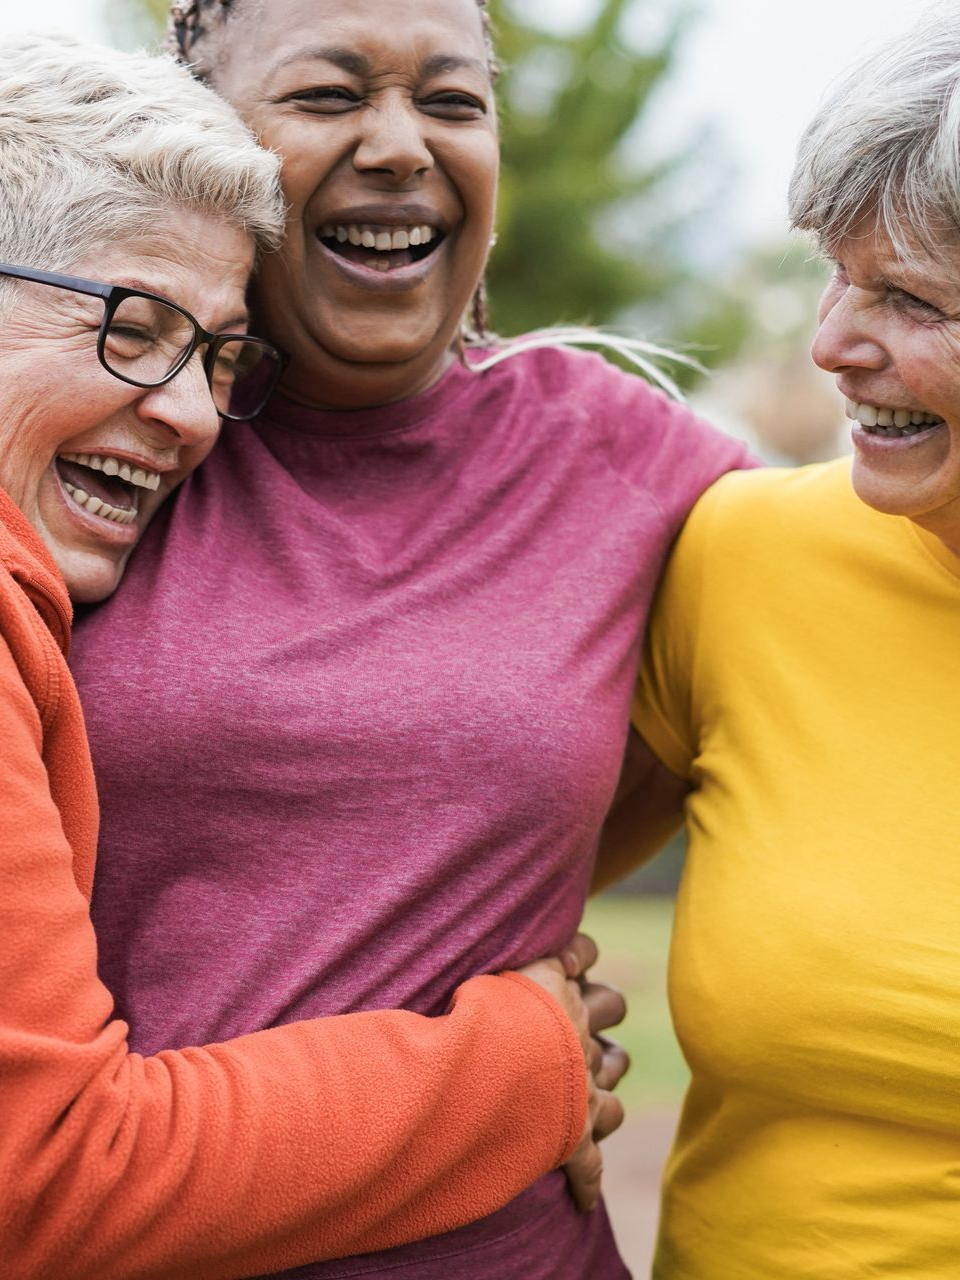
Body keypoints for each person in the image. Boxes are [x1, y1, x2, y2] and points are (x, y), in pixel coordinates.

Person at [69, 3, 753, 1277]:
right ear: (204, 138)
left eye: (452, 103)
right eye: (329, 99)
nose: (399, 145)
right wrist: (518, 1055)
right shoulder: (96, 430)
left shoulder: (632, 468)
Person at [605, 10, 960, 1276]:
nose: (831, 346)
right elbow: (495, 882)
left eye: (909, 299)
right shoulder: (743, 558)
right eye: (837, 274)